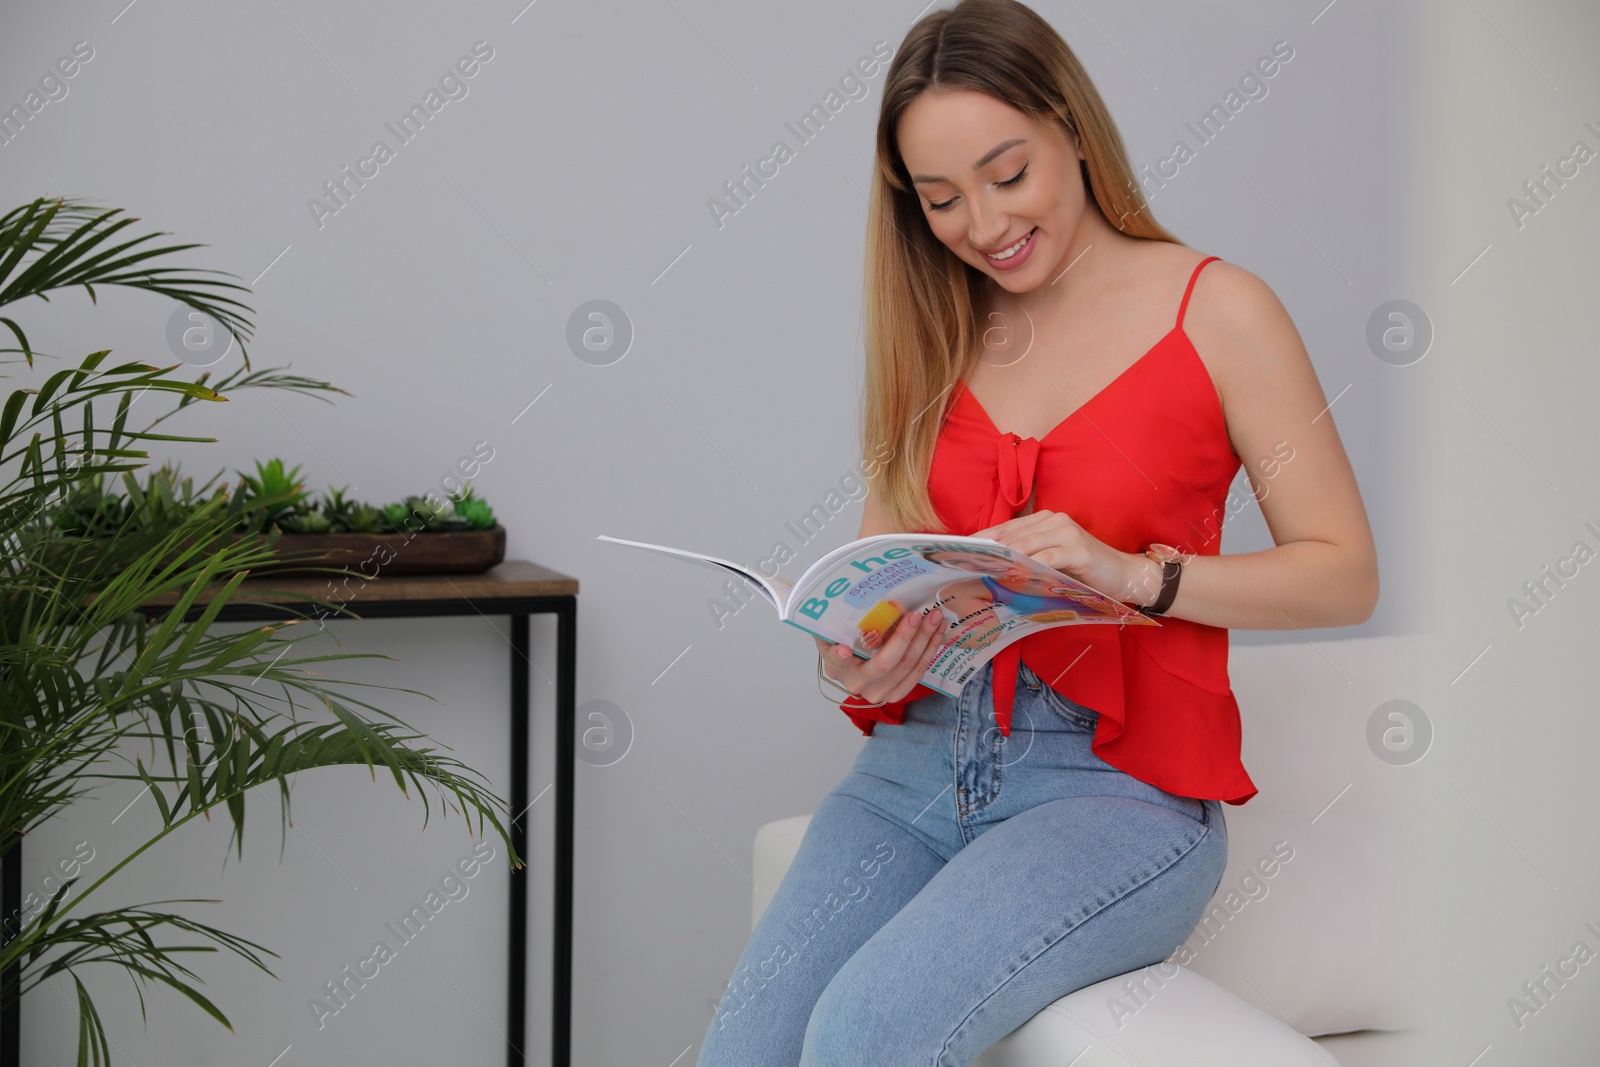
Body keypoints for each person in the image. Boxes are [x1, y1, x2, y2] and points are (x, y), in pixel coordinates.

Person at [696, 1, 1378, 1063]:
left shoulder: (1219, 311)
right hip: (911, 770)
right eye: (940, 199)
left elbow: (1342, 575)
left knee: (862, 1037)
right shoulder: (936, 331)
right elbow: (880, 583)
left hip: (1110, 794)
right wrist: (856, 658)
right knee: (742, 1051)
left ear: (1069, 126)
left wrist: (1135, 576)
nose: (981, 224)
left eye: (1006, 174)